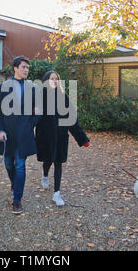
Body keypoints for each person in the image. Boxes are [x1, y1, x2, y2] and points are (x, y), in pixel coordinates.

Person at [0, 56, 41, 215]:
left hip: (24, 134)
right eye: (23, 67)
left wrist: (31, 123)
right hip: (7, 134)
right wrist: (0, 130)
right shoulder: (3, 86)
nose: (26, 70)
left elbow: (39, 110)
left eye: (28, 67)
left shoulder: (33, 87)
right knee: (8, 164)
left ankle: (17, 200)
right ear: (15, 68)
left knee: (20, 165)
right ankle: (14, 183)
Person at [36, 70, 90, 206]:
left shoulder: (63, 97)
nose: (54, 81)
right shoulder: (40, 96)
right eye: (51, 78)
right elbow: (33, 117)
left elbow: (72, 118)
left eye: (56, 79)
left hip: (60, 135)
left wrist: (81, 138)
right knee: (48, 160)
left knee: (58, 162)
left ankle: (57, 193)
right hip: (46, 136)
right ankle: (45, 174)